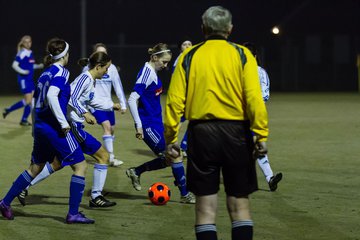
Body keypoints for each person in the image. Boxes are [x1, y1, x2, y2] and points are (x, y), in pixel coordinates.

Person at [164, 6, 268, 240]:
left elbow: (174, 102)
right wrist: (260, 135)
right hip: (236, 134)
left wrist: (171, 138)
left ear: (203, 29)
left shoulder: (189, 57)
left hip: (201, 134)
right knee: (240, 205)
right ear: (230, 29)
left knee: (205, 209)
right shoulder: (243, 55)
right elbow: (254, 99)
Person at [0, 38, 94, 224]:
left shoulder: (45, 73)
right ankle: (73, 213)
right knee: (81, 166)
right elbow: (51, 96)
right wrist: (63, 123)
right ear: (65, 55)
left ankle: (5, 202)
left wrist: (35, 128)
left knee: (35, 167)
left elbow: (36, 103)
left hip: (42, 127)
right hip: (54, 128)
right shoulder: (62, 72)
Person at [16, 51, 118, 208]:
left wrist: (112, 105)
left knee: (57, 163)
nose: (107, 72)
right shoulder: (85, 79)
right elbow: (71, 98)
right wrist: (84, 113)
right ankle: (95, 197)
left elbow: (91, 100)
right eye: (107, 68)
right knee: (103, 156)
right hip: (74, 127)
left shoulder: (90, 80)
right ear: (98, 67)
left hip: (72, 126)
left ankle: (23, 187)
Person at [126, 43, 195, 204]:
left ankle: (136, 171)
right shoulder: (146, 73)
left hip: (157, 123)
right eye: (163, 62)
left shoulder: (153, 72)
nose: (165, 65)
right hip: (148, 125)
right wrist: (139, 125)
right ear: (154, 57)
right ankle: (185, 194)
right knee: (175, 155)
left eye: (167, 62)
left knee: (170, 159)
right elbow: (132, 98)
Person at [243, 42, 283, 192]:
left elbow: (265, 95)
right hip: (234, 116)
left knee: (256, 146)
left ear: (254, 56)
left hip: (253, 116)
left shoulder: (260, 72)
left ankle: (270, 178)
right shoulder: (235, 71)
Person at [85, 43, 127, 167]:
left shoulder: (111, 68)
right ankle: (111, 157)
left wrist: (123, 104)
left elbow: (118, 86)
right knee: (107, 127)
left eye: (105, 53)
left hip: (108, 105)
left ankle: (107, 153)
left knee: (111, 130)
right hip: (95, 105)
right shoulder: (88, 68)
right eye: (100, 53)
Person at [3, 35, 44, 126]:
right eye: (26, 42)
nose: (28, 43)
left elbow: (30, 66)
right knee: (28, 101)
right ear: (23, 43)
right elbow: (14, 65)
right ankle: (9, 109)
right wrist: (23, 71)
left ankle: (24, 120)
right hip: (23, 80)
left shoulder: (29, 52)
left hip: (29, 80)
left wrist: (38, 66)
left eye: (29, 41)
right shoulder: (22, 52)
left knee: (32, 100)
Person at [173, 38, 193, 156]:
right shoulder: (182, 58)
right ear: (180, 47)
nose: (187, 46)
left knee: (193, 120)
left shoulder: (190, 57)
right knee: (179, 121)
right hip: (184, 95)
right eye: (184, 44)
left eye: (189, 44)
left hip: (191, 94)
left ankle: (184, 146)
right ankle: (172, 145)